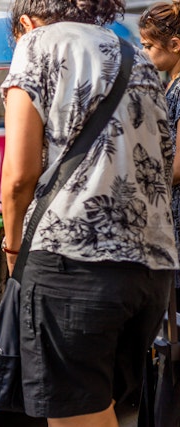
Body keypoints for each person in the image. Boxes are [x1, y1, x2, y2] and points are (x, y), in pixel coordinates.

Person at [0, 1, 178, 426]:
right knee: (104, 410)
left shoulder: (38, 43)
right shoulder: (133, 53)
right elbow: (165, 161)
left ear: (26, 23)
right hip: (149, 271)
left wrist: (12, 249)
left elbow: (19, 176)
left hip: (73, 262)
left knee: (75, 416)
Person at [139, 0, 180, 313]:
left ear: (175, 45)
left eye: (148, 45)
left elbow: (178, 166)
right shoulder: (170, 86)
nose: (144, 53)